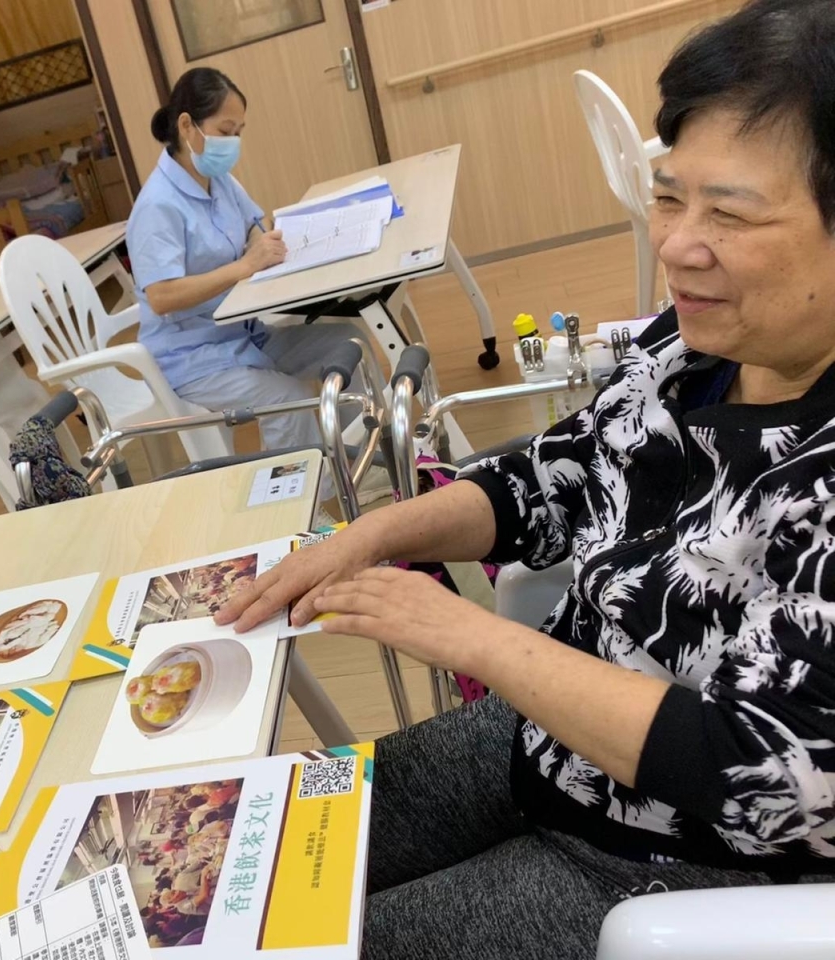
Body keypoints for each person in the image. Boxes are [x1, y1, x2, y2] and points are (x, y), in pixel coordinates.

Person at [216, 2, 835, 956]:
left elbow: (766, 774)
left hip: (662, 858)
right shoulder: (696, 345)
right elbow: (560, 473)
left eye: (730, 213)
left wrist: (474, 638)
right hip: (542, 732)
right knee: (239, 869)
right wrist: (369, 536)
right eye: (669, 197)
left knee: (307, 946)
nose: (677, 245)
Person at [126, 68, 388, 502]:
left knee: (347, 344)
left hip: (244, 332)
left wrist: (260, 244)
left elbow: (253, 223)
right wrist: (244, 266)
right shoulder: (158, 206)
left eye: (239, 132)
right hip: (192, 359)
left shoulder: (217, 179)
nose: (232, 142)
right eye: (225, 130)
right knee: (286, 398)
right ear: (187, 126)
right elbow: (162, 296)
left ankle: (361, 465)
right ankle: (304, 504)